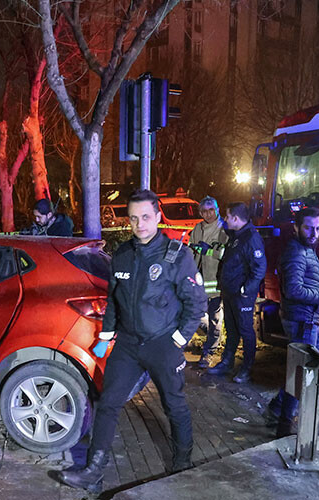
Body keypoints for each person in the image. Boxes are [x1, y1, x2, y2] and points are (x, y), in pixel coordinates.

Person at [56, 189, 207, 493]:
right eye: (134, 218)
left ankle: (182, 463)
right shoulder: (123, 255)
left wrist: (178, 340)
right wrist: (106, 336)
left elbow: (196, 303)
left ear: (158, 217)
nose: (140, 224)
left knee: (173, 404)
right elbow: (114, 300)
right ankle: (93, 470)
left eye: (146, 217)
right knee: (108, 403)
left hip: (162, 342)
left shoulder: (177, 255)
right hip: (127, 344)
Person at [265, 207, 319, 436]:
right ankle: (285, 426)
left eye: (318, 228)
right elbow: (294, 289)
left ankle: (277, 408)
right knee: (303, 374)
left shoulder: (306, 249)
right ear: (297, 227)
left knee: (303, 370)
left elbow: (308, 281)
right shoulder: (297, 252)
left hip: (308, 319)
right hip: (303, 321)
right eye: (308, 227)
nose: (314, 232)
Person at [207, 202, 267, 383]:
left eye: (227, 216)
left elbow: (259, 268)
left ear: (235, 218)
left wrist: (245, 290)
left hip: (242, 296)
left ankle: (246, 369)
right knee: (232, 329)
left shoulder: (250, 238)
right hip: (230, 292)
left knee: (246, 331)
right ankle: (227, 362)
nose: (225, 219)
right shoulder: (237, 235)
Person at [189, 196, 229, 368]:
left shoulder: (224, 229)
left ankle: (209, 352)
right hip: (198, 283)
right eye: (204, 211)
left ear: (217, 209)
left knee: (215, 319)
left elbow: (227, 255)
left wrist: (210, 251)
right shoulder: (197, 228)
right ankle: (211, 339)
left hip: (217, 282)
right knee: (193, 314)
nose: (208, 214)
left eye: (211, 210)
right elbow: (191, 252)